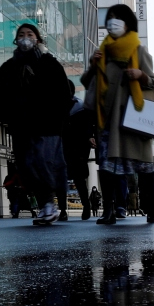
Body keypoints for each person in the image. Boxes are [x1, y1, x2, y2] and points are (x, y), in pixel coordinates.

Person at [82, 4, 154, 225]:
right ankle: (108, 210)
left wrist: (140, 74)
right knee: (106, 168)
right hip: (108, 121)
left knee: (144, 167)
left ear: (128, 23)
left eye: (118, 18)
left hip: (134, 120)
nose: (113, 23)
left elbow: (153, 81)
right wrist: (92, 65)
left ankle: (152, 208)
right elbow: (87, 83)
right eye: (110, 18)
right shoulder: (102, 53)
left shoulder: (138, 50)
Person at [0, 23, 72, 224]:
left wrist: (59, 119)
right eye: (21, 35)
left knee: (42, 162)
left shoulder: (49, 63)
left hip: (48, 125)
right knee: (27, 166)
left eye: (30, 34)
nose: (25, 37)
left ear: (38, 39)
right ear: (16, 40)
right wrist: (8, 115)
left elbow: (64, 93)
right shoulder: (9, 67)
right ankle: (47, 204)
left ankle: (49, 205)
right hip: (22, 126)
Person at [64, 84, 95, 220]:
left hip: (78, 146)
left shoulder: (80, 107)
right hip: (64, 145)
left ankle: (86, 205)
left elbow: (88, 127)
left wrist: (89, 138)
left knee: (79, 178)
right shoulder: (58, 107)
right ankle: (62, 210)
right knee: (61, 176)